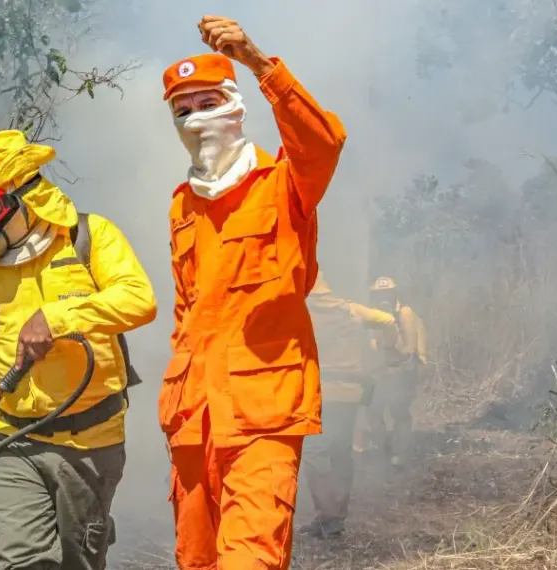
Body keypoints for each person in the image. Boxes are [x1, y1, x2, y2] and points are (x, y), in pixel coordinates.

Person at [159, 15, 347, 569]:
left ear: (235, 106)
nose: (196, 118)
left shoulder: (285, 182)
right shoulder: (182, 204)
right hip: (194, 421)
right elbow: (186, 311)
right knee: (196, 560)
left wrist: (258, 63)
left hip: (263, 415)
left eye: (208, 103)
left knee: (251, 559)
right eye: (183, 110)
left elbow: (324, 143)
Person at [0, 129, 157, 570]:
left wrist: (58, 318)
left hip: (89, 440)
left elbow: (139, 299)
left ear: (27, 198)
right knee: (15, 561)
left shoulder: (87, 236)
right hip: (8, 436)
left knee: (79, 561)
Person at [299, 272, 398, 539]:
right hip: (351, 393)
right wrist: (389, 351)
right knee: (341, 451)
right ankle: (336, 516)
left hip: (321, 392)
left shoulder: (305, 313)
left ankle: (328, 515)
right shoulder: (353, 311)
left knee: (315, 451)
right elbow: (389, 320)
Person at [363, 276, 428, 468]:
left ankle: (400, 454)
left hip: (401, 372)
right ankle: (382, 450)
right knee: (374, 412)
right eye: (379, 294)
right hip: (381, 372)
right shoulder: (374, 315)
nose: (383, 297)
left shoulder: (404, 314)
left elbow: (409, 349)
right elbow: (372, 346)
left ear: (394, 293)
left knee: (399, 412)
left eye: (387, 293)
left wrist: (391, 359)